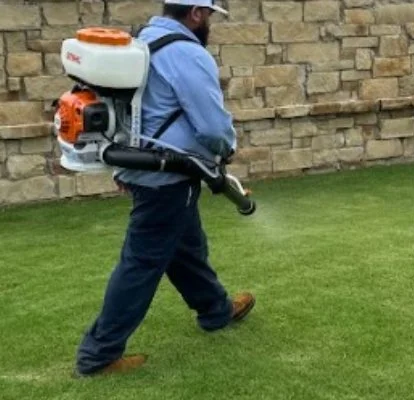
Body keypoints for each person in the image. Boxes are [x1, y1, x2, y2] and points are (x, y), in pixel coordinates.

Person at [74, 0, 255, 377]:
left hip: (142, 164)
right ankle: (98, 355)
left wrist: (121, 169)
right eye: (208, 16)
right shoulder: (187, 52)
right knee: (141, 262)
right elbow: (210, 125)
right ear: (196, 14)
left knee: (185, 247)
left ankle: (215, 310)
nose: (208, 24)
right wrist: (227, 150)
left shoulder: (140, 42)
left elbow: (123, 113)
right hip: (169, 172)